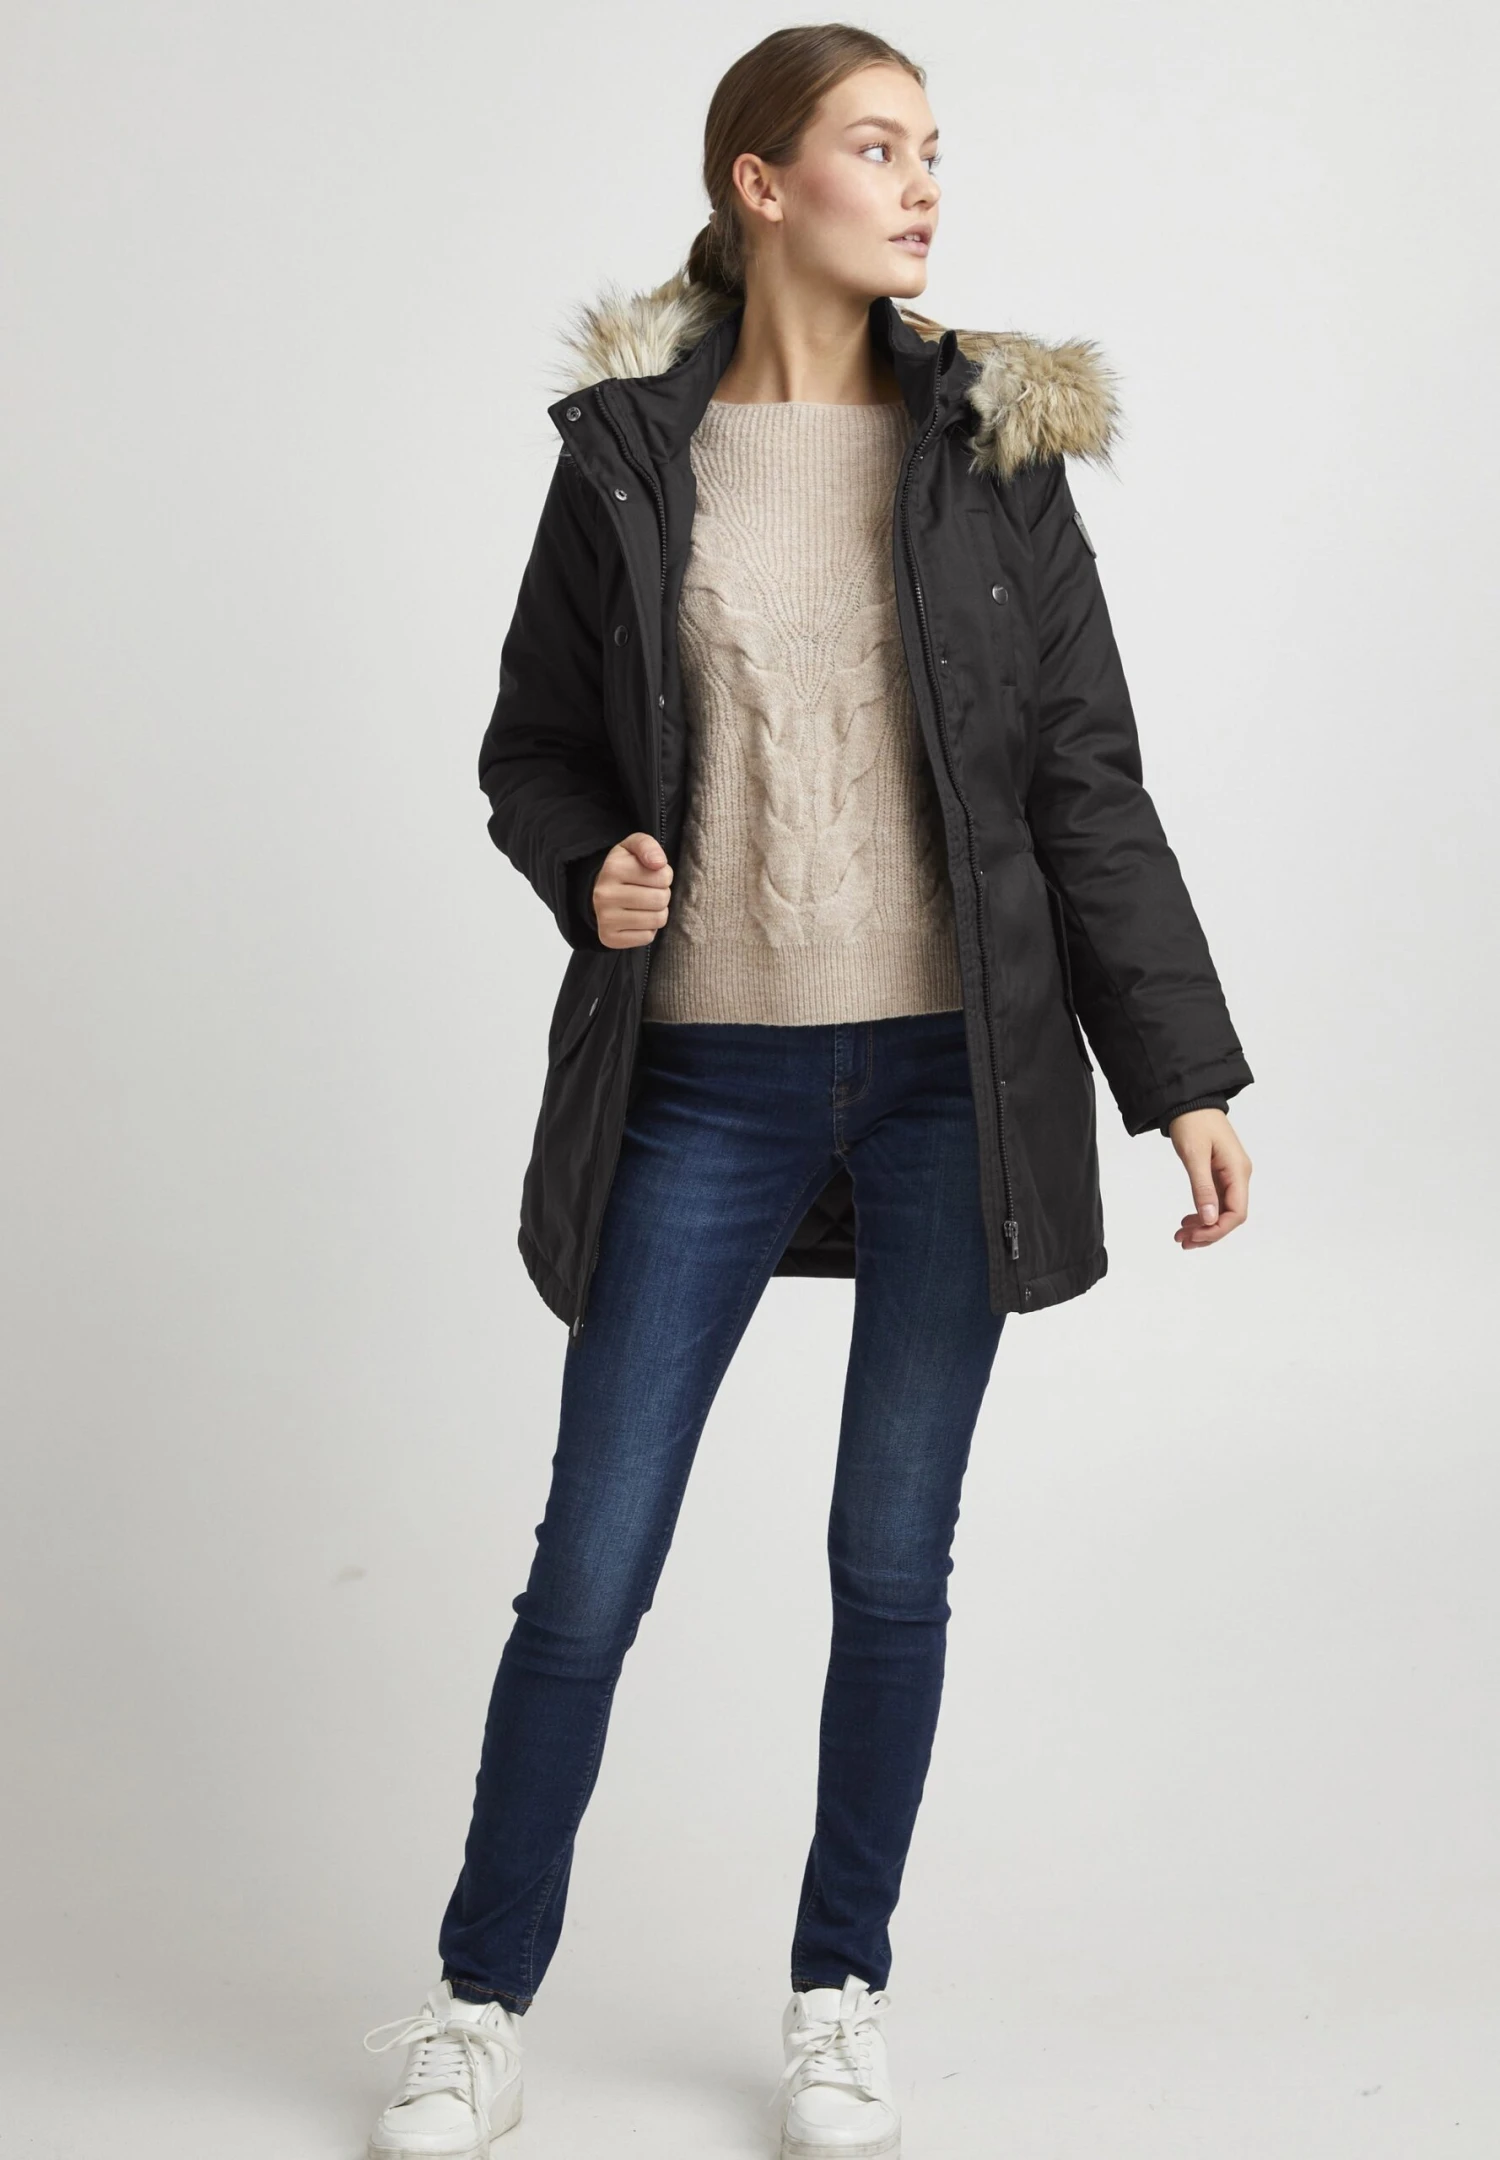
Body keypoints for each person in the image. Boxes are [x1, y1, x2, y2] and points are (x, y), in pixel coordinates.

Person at [361, 24, 1255, 2160]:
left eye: (934, 150)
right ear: (761, 185)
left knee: (890, 1561)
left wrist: (1184, 1076)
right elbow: (531, 747)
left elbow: (1085, 786)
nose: (924, 184)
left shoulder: (991, 459)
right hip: (700, 1081)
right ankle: (478, 2003)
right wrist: (591, 864)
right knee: (591, 1567)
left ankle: (840, 1991)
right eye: (878, 146)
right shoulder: (626, 460)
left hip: (955, 1083)